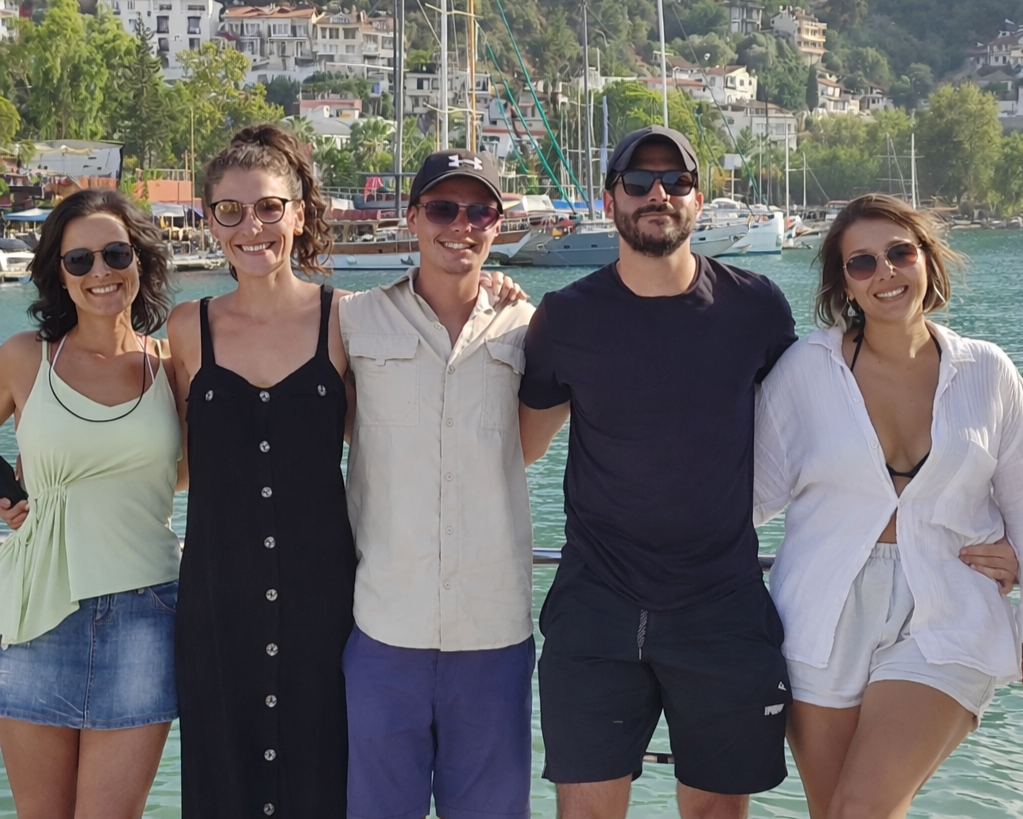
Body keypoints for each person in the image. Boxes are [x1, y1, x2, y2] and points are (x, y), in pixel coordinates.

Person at [518, 125, 797, 819]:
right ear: (609, 198)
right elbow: (521, 444)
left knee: (712, 814)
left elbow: (819, 425)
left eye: (674, 181)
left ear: (697, 201)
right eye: (638, 182)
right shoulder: (564, 316)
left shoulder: (755, 308)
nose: (657, 194)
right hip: (594, 605)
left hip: (721, 606)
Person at [753, 193, 1023, 819]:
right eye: (862, 263)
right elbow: (747, 497)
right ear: (842, 281)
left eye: (900, 253)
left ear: (926, 259)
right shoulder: (806, 371)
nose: (886, 273)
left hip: (949, 606)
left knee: (863, 807)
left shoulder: (988, 371)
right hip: (822, 614)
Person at [166, 123, 357, 819]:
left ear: (299, 213)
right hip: (217, 606)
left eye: (270, 206)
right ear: (209, 220)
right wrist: (37, 485)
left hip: (327, 607)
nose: (253, 226)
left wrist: (496, 292)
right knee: (223, 789)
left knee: (324, 787)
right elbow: (158, 459)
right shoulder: (187, 329)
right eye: (231, 210)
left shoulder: (347, 322)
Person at [338, 149, 536, 819]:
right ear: (413, 218)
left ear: (498, 225)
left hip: (493, 629)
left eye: (479, 210)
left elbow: (526, 449)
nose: (462, 224)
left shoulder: (530, 327)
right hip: (384, 627)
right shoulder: (351, 320)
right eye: (444, 209)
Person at [0, 189, 183, 819]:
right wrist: (9, 491)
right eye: (79, 260)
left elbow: (187, 475)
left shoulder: (172, 366)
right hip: (32, 613)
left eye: (114, 253)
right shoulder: (26, 357)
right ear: (58, 272)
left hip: (146, 612)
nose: (99, 272)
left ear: (140, 260)